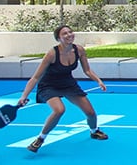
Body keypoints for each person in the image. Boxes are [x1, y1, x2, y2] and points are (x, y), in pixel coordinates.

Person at [18, 25, 108, 153]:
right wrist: (24, 96)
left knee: (91, 113)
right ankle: (40, 138)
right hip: (49, 85)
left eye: (70, 32)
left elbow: (87, 70)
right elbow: (35, 77)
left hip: (68, 84)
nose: (69, 35)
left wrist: (98, 81)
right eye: (64, 34)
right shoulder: (51, 54)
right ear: (58, 38)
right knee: (59, 110)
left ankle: (94, 131)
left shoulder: (79, 50)